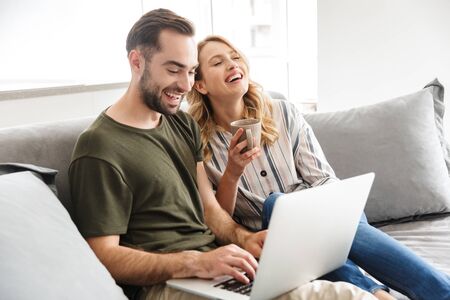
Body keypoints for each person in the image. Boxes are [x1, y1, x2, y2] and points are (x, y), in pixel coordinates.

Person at [68, 9, 375, 300]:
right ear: (137, 61)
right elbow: (102, 255)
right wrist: (193, 264)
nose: (185, 85)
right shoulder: (99, 147)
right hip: (168, 286)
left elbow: (210, 210)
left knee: (347, 294)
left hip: (220, 272)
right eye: (173, 69)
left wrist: (244, 239)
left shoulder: (181, 123)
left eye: (190, 71)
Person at [187, 35, 450, 300]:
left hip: (317, 214)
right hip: (270, 238)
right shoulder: (199, 143)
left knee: (333, 214)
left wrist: (327, 214)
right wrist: (233, 173)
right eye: (218, 63)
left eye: (234, 57)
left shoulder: (283, 113)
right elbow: (220, 221)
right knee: (275, 203)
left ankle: (386, 296)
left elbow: (323, 179)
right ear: (200, 85)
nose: (232, 64)